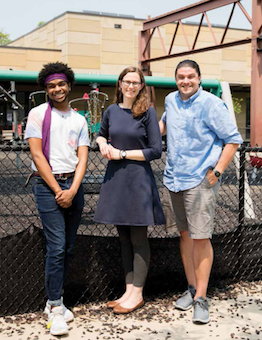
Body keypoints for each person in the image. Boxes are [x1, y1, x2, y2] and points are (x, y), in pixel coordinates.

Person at [159, 60, 243, 324]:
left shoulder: (211, 103)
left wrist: (216, 172)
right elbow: (160, 129)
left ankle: (202, 298)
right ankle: (192, 288)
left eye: (191, 76)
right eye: (181, 77)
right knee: (184, 236)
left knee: (200, 237)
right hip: (174, 179)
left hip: (199, 180)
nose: (186, 81)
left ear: (199, 78)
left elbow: (233, 139)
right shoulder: (171, 100)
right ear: (175, 79)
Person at [25, 62, 89, 336]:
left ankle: (57, 302)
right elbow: (37, 155)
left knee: (69, 247)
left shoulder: (80, 119)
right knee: (57, 246)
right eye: (51, 86)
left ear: (69, 85)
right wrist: (57, 190)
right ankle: (53, 306)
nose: (57, 89)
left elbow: (84, 157)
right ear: (46, 89)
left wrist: (72, 189)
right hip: (47, 185)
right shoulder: (38, 114)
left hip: (72, 184)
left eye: (61, 84)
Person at [94, 66, 165, 314]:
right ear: (120, 84)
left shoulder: (147, 113)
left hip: (138, 181)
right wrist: (103, 143)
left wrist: (122, 153)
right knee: (123, 239)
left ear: (141, 86)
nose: (131, 86)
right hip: (116, 180)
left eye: (136, 82)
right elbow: (100, 134)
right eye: (127, 81)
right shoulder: (111, 111)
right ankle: (127, 291)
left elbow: (155, 151)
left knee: (137, 238)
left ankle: (138, 294)